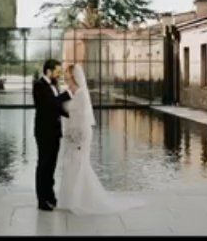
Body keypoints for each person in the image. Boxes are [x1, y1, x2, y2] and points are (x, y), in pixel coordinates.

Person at [57, 63, 144, 215]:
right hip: (75, 135)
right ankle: (71, 199)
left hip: (80, 136)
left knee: (79, 166)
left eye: (68, 78)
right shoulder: (76, 94)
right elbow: (70, 113)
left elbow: (81, 119)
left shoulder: (81, 95)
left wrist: (76, 137)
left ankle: (80, 200)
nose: (66, 81)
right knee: (73, 166)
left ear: (74, 79)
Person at [33, 59, 73, 211]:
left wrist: (73, 115)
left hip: (55, 131)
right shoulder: (39, 85)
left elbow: (58, 108)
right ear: (48, 71)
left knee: (51, 166)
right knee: (43, 165)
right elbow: (51, 104)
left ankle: (50, 196)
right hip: (44, 132)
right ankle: (41, 201)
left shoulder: (54, 84)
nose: (59, 74)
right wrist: (68, 94)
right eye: (57, 71)